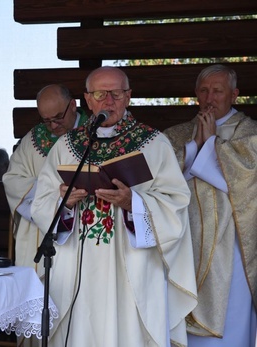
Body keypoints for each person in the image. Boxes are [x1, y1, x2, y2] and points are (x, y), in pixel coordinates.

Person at [31, 67, 197, 346]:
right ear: (87, 99)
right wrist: (65, 202)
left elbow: (176, 203)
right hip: (77, 269)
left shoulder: (154, 144)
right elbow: (42, 203)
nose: (108, 101)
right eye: (100, 93)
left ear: (128, 96)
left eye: (116, 93)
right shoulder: (66, 146)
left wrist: (135, 202)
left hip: (132, 267)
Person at [164, 64, 257, 347]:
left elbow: (246, 185)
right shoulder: (176, 135)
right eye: (204, 91)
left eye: (218, 91)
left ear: (234, 95)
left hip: (233, 248)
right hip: (185, 244)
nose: (210, 97)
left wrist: (210, 146)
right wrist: (194, 147)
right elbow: (161, 183)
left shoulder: (250, 133)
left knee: (230, 326)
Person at [3, 84, 88, 278]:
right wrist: (50, 195)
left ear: (73, 105)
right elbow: (12, 179)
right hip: (39, 234)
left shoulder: (93, 136)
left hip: (79, 232)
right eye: (47, 120)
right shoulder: (32, 140)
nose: (54, 126)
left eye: (58, 118)